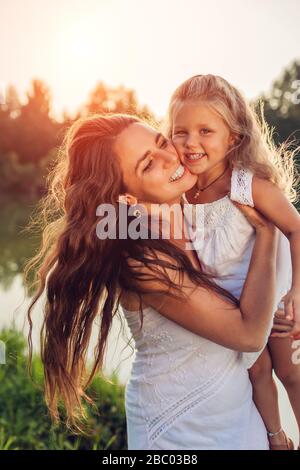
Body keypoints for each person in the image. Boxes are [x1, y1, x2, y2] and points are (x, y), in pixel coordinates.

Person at [25, 113, 279, 450]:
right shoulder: (140, 260)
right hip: (181, 430)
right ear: (126, 199)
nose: (170, 157)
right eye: (147, 165)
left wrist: (273, 432)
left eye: (161, 143)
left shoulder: (199, 214)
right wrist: (268, 229)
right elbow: (247, 335)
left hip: (238, 412)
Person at [166, 73, 300, 450]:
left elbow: (296, 229)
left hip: (274, 297)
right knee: (257, 372)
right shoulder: (178, 189)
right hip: (234, 309)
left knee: (290, 372)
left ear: (233, 139)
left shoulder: (246, 186)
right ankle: (277, 438)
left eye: (205, 131)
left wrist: (296, 292)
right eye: (181, 132)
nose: (191, 143)